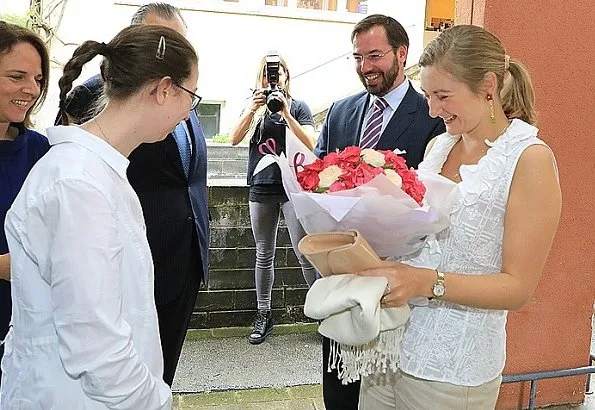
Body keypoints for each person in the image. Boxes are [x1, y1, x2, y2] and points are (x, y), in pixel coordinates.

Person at [356, 25, 561, 409]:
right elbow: (419, 239)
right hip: (387, 352)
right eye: (428, 95)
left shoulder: (529, 159)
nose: (433, 109)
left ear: (487, 86)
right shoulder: (438, 146)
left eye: (443, 95)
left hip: (453, 372)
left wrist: (421, 282)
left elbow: (518, 289)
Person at [0, 23, 198, 408]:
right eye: (191, 95)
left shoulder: (96, 172)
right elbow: (95, 346)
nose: (189, 112)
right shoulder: (78, 184)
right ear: (163, 90)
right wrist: (155, 399)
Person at [56, 2, 209, 386]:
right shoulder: (98, 99)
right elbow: (93, 345)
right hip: (130, 255)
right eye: (163, 41)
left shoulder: (179, 96)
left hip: (186, 254)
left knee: (161, 367)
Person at [313, 14, 445, 410]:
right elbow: (315, 176)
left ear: (401, 54)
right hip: (342, 270)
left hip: (397, 272)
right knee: (339, 381)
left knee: (382, 383)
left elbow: (433, 192)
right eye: (357, 58)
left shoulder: (431, 115)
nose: (365, 67)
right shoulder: (339, 111)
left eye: (374, 56)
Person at [229, 54, 318, 344]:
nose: (273, 80)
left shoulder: (299, 106)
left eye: (277, 75)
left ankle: (325, 312)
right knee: (263, 253)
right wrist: (252, 109)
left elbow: (312, 143)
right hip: (261, 185)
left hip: (293, 186)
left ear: (287, 77)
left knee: (303, 251)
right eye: (268, 75)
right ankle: (264, 313)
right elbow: (233, 139)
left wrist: (288, 114)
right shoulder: (254, 106)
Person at [0, 21, 50, 386]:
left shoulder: (41, 152)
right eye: (17, 76)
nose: (30, 89)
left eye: (37, 79)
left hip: (27, 335)